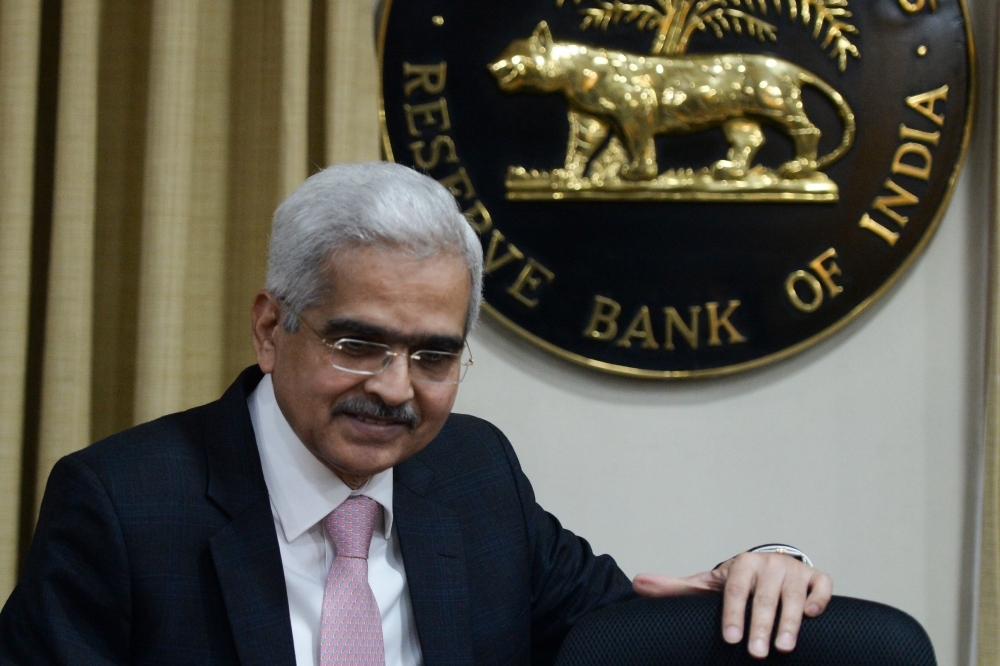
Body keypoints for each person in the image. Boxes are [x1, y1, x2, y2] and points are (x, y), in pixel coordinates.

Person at [0, 162, 831, 665]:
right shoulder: (120, 506)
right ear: (269, 329)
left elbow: (619, 638)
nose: (397, 390)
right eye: (358, 345)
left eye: (434, 355)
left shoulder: (471, 475)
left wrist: (761, 566)